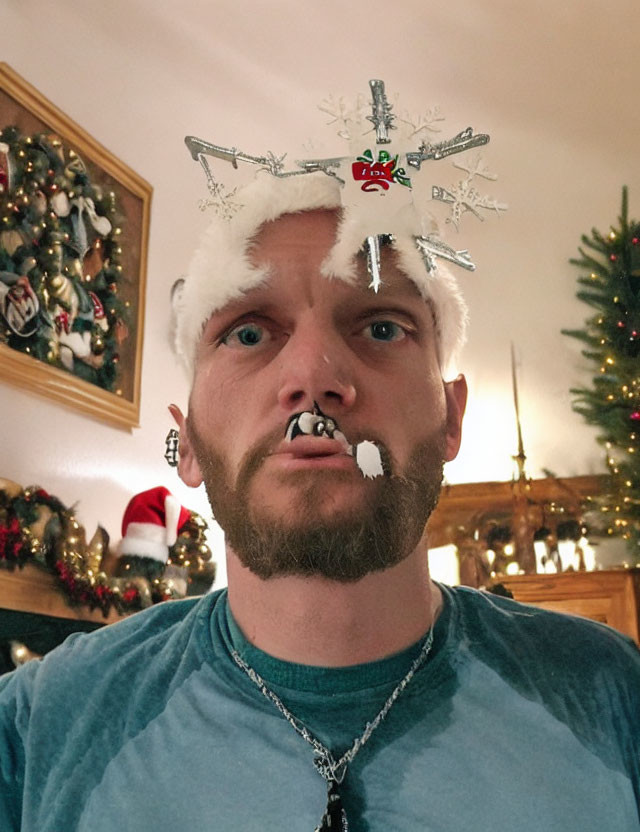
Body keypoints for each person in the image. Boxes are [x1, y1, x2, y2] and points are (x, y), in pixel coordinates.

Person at [1, 80, 639, 832]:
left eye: (379, 327)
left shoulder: (613, 697)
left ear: (451, 419)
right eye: (247, 331)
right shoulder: (38, 729)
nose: (312, 377)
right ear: (191, 440)